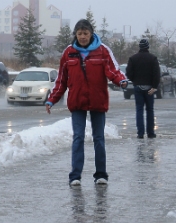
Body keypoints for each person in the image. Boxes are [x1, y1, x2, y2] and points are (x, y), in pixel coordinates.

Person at [45, 19, 128, 186]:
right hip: (77, 101)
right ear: (75, 34)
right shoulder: (68, 52)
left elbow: (113, 70)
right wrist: (52, 99)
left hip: (98, 100)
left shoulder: (103, 50)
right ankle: (75, 176)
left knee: (99, 138)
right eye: (79, 33)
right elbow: (61, 79)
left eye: (86, 33)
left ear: (91, 34)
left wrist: (122, 81)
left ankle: (101, 175)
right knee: (78, 137)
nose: (83, 36)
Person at [125, 39, 160, 139]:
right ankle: (151, 133)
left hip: (138, 87)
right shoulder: (153, 58)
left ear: (139, 47)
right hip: (150, 88)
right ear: (148, 47)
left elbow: (128, 73)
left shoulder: (133, 58)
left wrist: (135, 81)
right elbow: (156, 74)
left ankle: (140, 133)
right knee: (150, 110)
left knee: (139, 110)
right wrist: (154, 86)